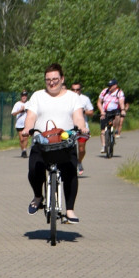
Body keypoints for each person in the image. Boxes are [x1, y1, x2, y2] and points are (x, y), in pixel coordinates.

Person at [22, 64, 86, 223]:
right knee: (34, 168)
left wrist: (82, 127)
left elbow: (78, 116)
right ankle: (38, 197)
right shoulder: (37, 96)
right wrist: (28, 128)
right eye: (48, 80)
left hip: (65, 142)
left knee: (70, 171)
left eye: (55, 79)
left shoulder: (72, 97)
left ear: (62, 79)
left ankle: (70, 210)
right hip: (42, 140)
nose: (51, 83)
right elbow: (31, 116)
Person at [69, 82, 93, 174]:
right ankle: (70, 165)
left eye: (77, 89)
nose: (75, 91)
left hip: (82, 127)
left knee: (81, 149)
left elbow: (91, 112)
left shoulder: (85, 99)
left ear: (80, 90)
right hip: (70, 127)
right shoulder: (67, 98)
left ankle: (79, 162)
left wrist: (83, 111)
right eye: (73, 89)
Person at [97, 79, 126, 153]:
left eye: (111, 86)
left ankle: (115, 129)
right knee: (103, 130)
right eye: (108, 86)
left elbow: (121, 102)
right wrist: (102, 111)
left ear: (115, 85)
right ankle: (104, 146)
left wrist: (122, 110)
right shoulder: (105, 91)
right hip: (105, 111)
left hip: (115, 110)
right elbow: (99, 102)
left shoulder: (119, 92)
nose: (109, 87)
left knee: (118, 115)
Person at [12, 91, 29, 158]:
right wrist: (20, 110)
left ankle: (24, 150)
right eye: (23, 96)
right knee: (21, 139)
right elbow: (13, 113)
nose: (24, 97)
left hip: (26, 124)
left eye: (25, 96)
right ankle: (22, 150)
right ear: (21, 97)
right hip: (19, 124)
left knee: (25, 138)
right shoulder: (17, 104)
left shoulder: (29, 103)